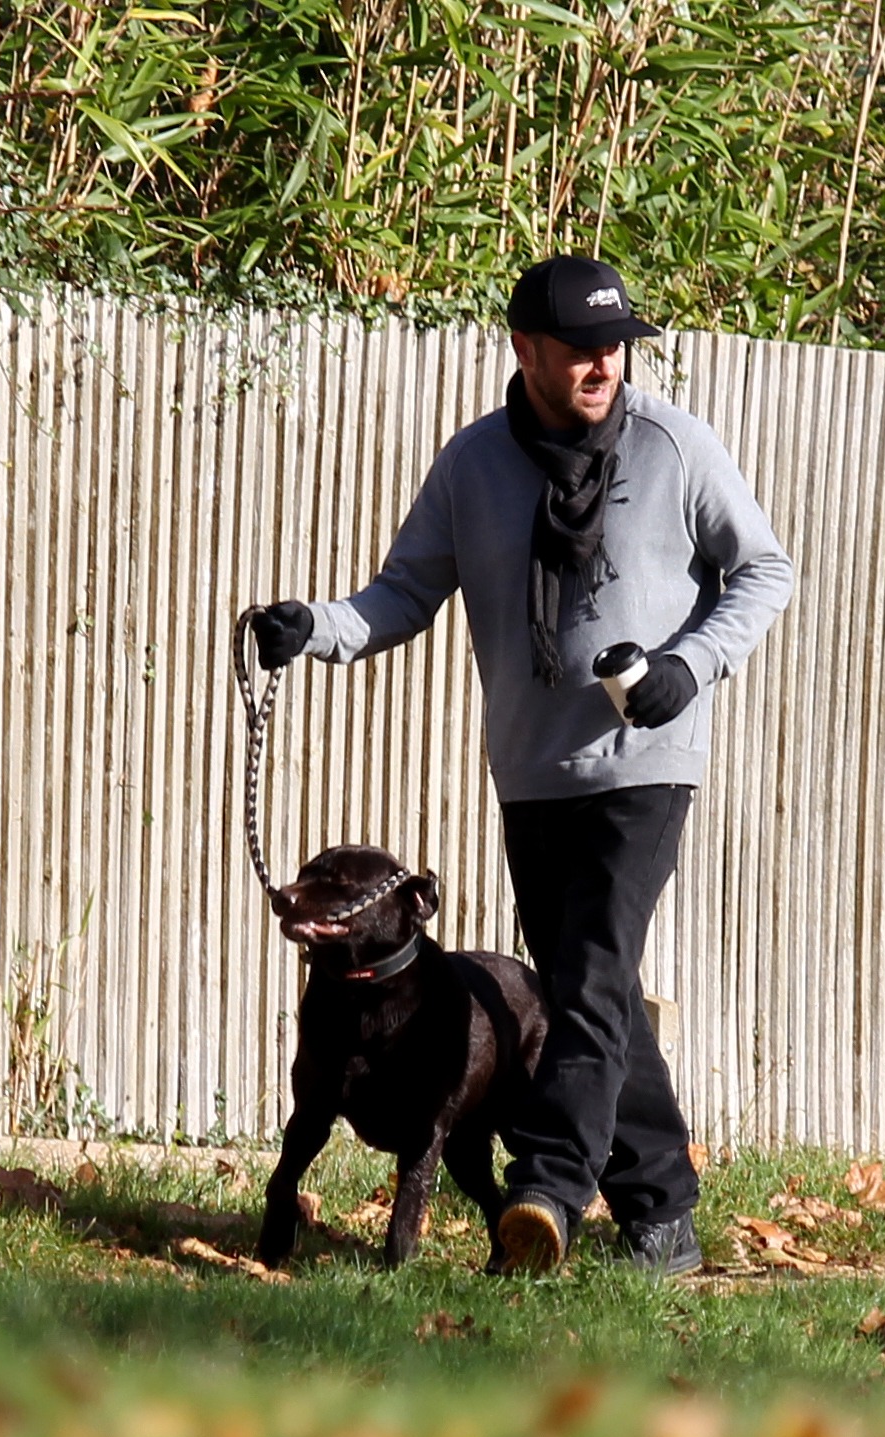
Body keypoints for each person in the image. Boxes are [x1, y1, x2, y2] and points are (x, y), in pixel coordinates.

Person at [251, 255, 793, 1276]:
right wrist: (307, 628)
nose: (602, 364)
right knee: (601, 994)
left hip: (645, 760)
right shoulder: (472, 467)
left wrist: (688, 665)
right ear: (524, 349)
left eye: (615, 346)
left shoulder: (674, 446)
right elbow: (400, 594)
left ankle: (544, 1194)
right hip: (533, 773)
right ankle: (662, 1216)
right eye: (582, 347)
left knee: (586, 977)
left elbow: (762, 568)